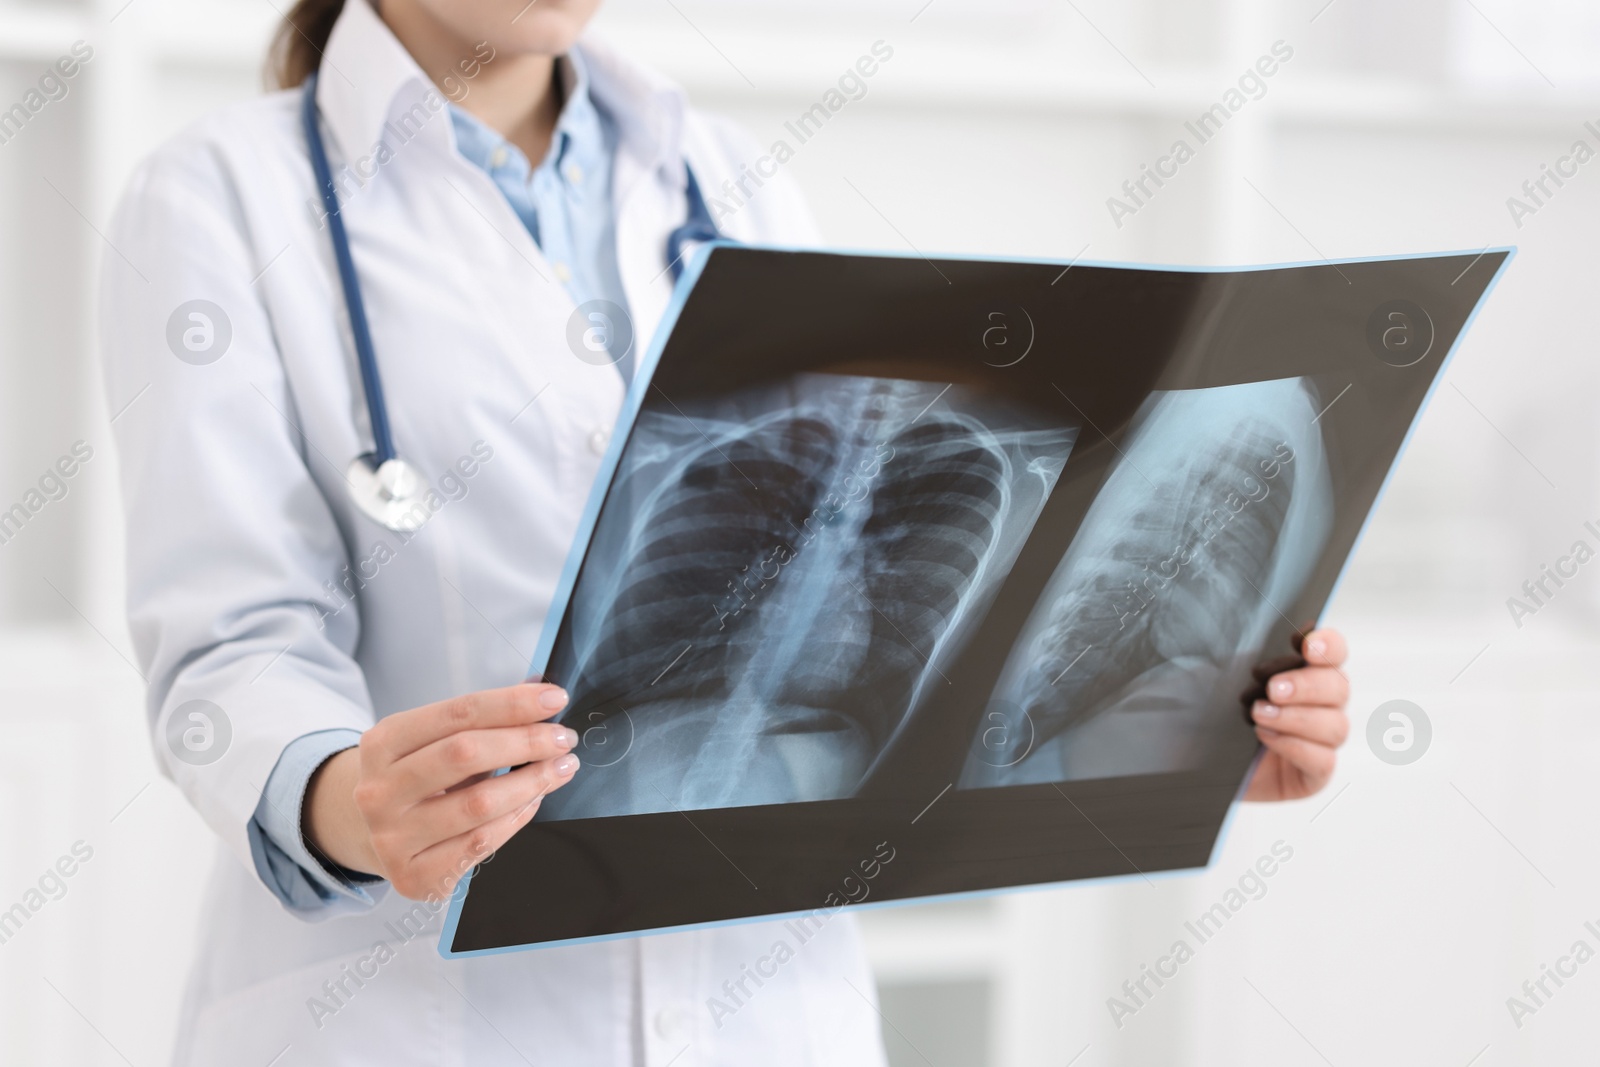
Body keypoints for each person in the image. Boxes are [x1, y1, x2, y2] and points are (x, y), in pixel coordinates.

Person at [97, 0, 1352, 1063]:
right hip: (411, 1007)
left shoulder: (733, 178)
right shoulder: (219, 196)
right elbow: (229, 645)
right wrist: (341, 797)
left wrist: (1172, 732)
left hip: (771, 1011)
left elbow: (857, 607)